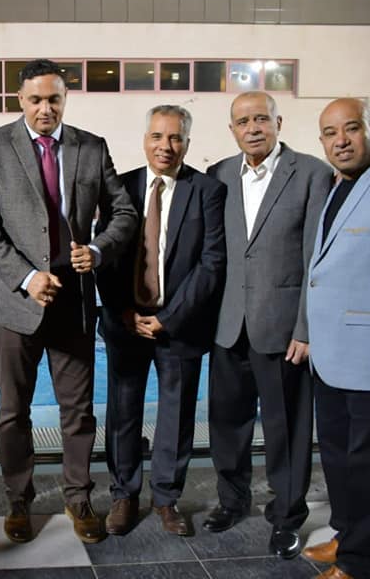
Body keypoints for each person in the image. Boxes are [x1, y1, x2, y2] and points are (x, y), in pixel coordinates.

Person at [0, 58, 137, 544]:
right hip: (16, 302)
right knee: (12, 412)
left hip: (73, 300)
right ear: (20, 100)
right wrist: (25, 277)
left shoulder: (90, 146)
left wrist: (97, 249)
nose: (46, 108)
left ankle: (78, 497)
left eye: (54, 99)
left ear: (65, 100)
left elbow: (123, 211)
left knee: (78, 412)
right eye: (36, 99)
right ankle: (18, 499)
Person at [204, 91, 333, 559]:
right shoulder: (218, 174)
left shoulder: (312, 173)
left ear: (279, 123)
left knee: (287, 429)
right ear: (232, 129)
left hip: (283, 329)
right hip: (227, 325)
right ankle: (232, 500)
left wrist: (305, 328)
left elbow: (316, 260)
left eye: (261, 119)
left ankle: (287, 516)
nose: (253, 128)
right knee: (226, 423)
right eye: (243, 121)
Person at [96, 105, 225, 538]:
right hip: (126, 321)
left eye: (175, 138)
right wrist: (124, 312)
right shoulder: (120, 188)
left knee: (177, 414)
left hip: (179, 325)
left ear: (187, 142)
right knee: (123, 412)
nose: (165, 146)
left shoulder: (207, 191)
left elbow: (211, 263)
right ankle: (124, 494)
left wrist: (168, 319)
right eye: (157, 136)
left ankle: (167, 499)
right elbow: (105, 255)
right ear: (144, 139)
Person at [303, 98, 370, 579]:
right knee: (340, 460)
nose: (340, 141)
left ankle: (361, 563)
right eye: (330, 133)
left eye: (350, 129)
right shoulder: (339, 187)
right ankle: (347, 536)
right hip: (332, 357)